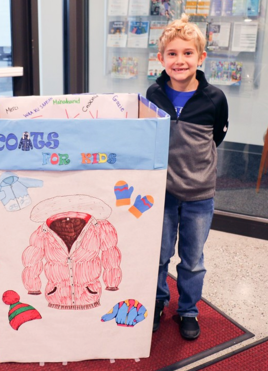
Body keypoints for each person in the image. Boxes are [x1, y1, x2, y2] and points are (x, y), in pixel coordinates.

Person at [146, 14, 229, 340]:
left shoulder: (214, 98)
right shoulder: (153, 94)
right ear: (161, 58)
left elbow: (217, 135)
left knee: (192, 259)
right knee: (159, 254)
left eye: (187, 53)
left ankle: (189, 310)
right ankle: (156, 302)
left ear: (201, 57)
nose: (180, 60)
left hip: (199, 195)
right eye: (172, 54)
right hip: (162, 192)